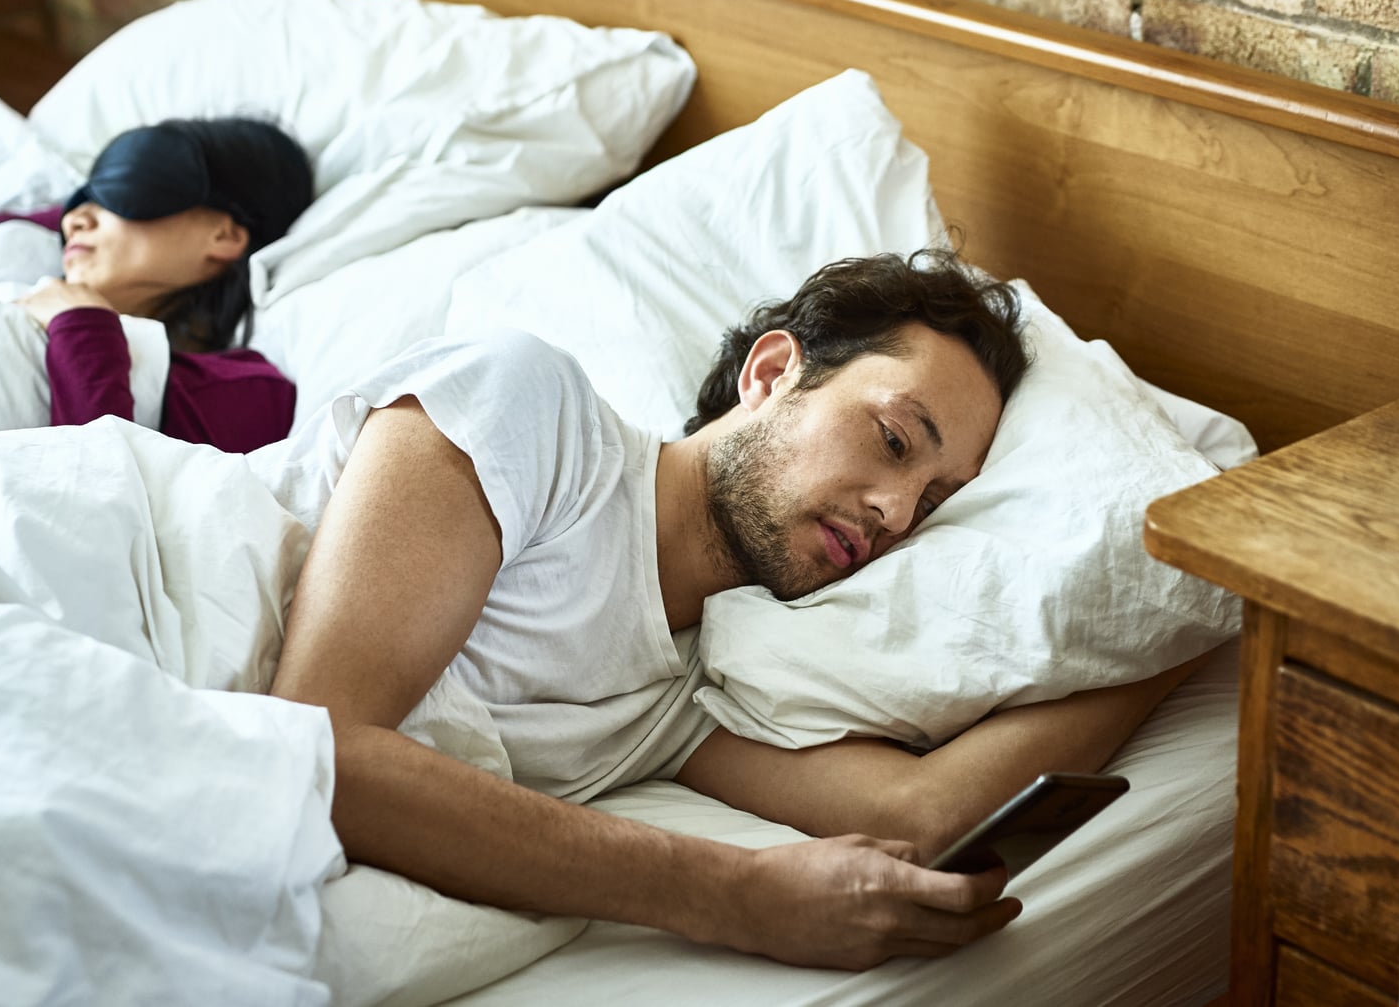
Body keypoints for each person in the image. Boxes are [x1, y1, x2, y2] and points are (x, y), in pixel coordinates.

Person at [267, 248, 1206, 970]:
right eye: (891, 439)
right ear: (770, 372)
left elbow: (922, 816)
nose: (893, 511)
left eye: (930, 503)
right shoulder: (535, 413)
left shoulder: (688, 688)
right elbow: (316, 750)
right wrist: (739, 893)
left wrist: (1200, 609)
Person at [0, 117, 312, 454]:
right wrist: (68, 223)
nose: (75, 218)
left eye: (123, 191)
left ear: (225, 235)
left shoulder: (236, 391)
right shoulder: (32, 253)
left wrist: (83, 326)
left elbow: (87, 495)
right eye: (82, 198)